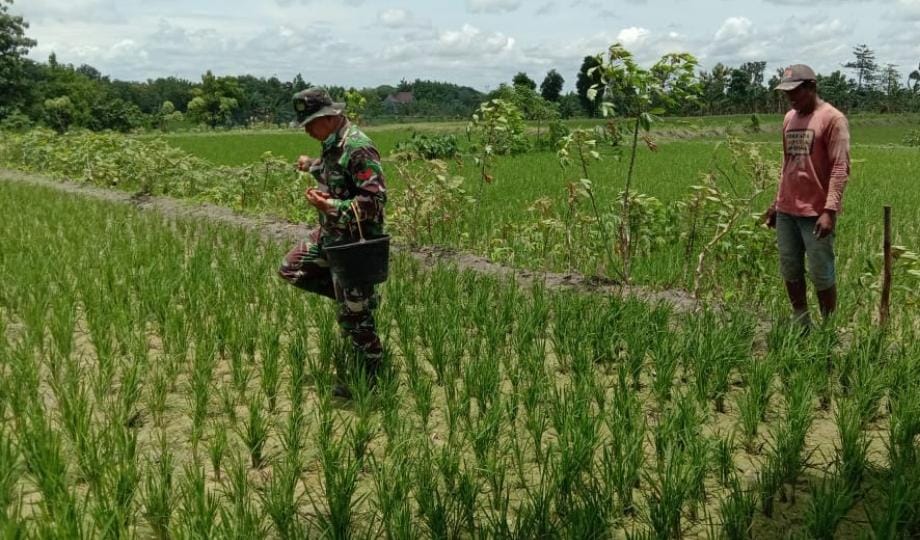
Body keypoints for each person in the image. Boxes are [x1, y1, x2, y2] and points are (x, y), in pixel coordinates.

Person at [278, 87, 387, 398]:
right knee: (291, 267)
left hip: (356, 242)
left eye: (311, 123)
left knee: (355, 318)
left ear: (329, 117)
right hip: (331, 235)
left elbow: (374, 201)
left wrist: (332, 207)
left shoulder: (358, 147)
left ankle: (370, 378)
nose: (309, 130)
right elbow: (335, 173)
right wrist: (312, 167)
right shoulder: (332, 144)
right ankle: (357, 301)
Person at [763, 64, 850, 328]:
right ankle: (801, 321)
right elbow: (787, 163)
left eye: (796, 92)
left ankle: (828, 328)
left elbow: (840, 167)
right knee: (790, 268)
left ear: (812, 88)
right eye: (787, 93)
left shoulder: (833, 119)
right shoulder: (789, 118)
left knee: (821, 273)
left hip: (815, 213)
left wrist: (830, 210)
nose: (791, 98)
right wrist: (776, 203)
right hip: (788, 210)